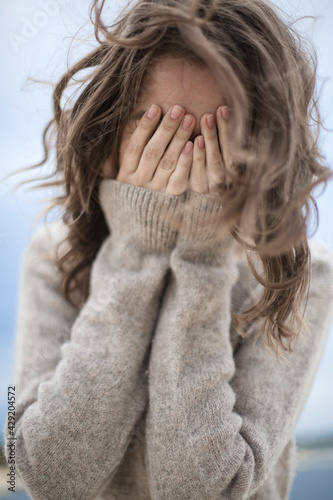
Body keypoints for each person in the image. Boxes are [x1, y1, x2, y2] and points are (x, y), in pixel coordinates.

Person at [3, 0, 333, 498]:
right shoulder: (55, 257)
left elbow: (203, 488)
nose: (184, 170)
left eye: (212, 142)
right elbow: (42, 473)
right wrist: (135, 253)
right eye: (160, 133)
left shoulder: (301, 278)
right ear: (109, 130)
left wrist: (201, 259)